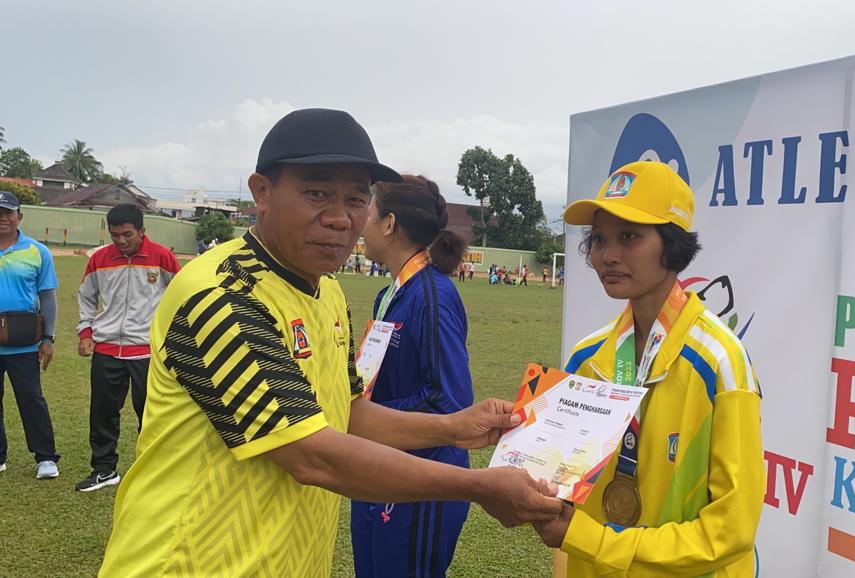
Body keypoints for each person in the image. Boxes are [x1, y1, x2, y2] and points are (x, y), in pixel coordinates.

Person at [98, 109, 560, 578]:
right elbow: (311, 455)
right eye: (316, 193)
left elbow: (348, 413)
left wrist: (453, 428)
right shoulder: (223, 294)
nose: (341, 219)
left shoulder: (327, 291)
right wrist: (478, 486)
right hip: (190, 562)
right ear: (261, 192)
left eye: (356, 199)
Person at [533, 161, 764, 577]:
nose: (607, 255)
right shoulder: (587, 358)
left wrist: (596, 541)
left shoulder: (720, 362)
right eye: (598, 239)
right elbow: (561, 486)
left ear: (671, 245)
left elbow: (731, 530)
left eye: (629, 236)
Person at [355, 174, 473, 577]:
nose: (361, 224)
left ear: (389, 223)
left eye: (368, 212)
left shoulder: (433, 295)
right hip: (377, 465)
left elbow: (449, 400)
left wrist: (372, 419)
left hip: (421, 479)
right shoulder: (388, 294)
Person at [75, 203, 181, 492]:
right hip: (107, 348)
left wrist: (170, 337)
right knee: (102, 412)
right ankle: (104, 469)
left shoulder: (162, 257)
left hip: (147, 350)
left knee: (151, 412)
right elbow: (86, 297)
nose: (120, 241)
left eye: (127, 234)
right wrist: (85, 332)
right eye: (115, 235)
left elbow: (181, 297)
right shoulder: (100, 259)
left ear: (141, 230)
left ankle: (153, 471)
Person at [0, 191, 60, 479]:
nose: (3, 218)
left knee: (31, 399)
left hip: (23, 342)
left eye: (8, 213)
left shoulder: (38, 251)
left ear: (19, 216)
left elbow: (47, 297)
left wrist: (48, 338)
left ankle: (45, 457)